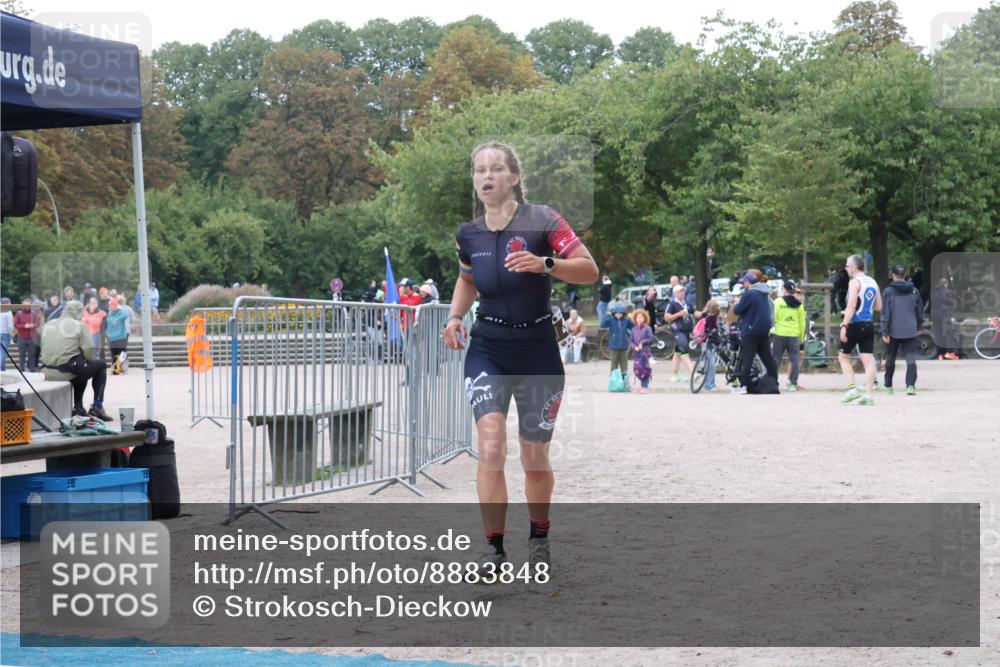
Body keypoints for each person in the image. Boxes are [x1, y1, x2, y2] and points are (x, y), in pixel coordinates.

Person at [442, 141, 598, 578]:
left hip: (536, 350)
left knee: (534, 458)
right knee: (490, 443)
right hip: (488, 347)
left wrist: (546, 262)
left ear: (513, 177)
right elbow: (467, 277)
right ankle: (492, 550)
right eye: (478, 170)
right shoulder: (468, 233)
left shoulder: (543, 220)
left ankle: (538, 538)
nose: (486, 177)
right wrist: (456, 316)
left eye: (495, 169)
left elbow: (589, 269)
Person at [39, 300, 113, 420]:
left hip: (49, 371)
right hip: (68, 372)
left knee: (80, 364)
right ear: (77, 312)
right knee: (100, 365)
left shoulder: (48, 324)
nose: (82, 315)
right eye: (80, 312)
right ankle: (97, 406)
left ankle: (78, 407)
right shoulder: (80, 326)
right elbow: (89, 353)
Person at [838, 255, 881, 406]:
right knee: (868, 361)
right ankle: (869, 395)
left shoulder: (854, 282)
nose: (846, 268)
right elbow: (878, 307)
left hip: (855, 324)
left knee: (843, 357)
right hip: (869, 323)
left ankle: (852, 388)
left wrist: (844, 325)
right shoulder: (873, 282)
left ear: (855, 267)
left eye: (848, 265)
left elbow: (851, 306)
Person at [732, 270, 779, 394]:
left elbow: (737, 310)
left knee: (747, 358)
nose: (744, 285)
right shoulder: (764, 293)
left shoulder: (750, 294)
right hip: (763, 330)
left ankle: (743, 386)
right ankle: (774, 382)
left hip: (750, 330)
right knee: (768, 358)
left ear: (748, 282)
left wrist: (737, 303)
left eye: (745, 283)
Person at [881, 265, 923, 395]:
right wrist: (919, 327)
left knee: (891, 357)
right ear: (905, 275)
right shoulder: (914, 291)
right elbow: (920, 312)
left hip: (893, 329)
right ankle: (910, 386)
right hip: (910, 328)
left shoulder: (888, 292)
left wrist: (884, 331)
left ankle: (888, 386)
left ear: (893, 275)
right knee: (910, 357)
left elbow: (885, 313)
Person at [772, 281, 806, 392]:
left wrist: (771, 331)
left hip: (779, 333)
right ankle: (793, 384)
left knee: (776, 359)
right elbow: (802, 323)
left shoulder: (777, 302)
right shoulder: (799, 305)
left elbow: (773, 318)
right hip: (794, 334)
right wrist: (801, 337)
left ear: (784, 290)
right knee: (794, 360)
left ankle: (773, 382)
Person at [663, 284, 695, 382]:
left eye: (683, 291)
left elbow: (694, 313)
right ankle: (693, 373)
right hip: (678, 331)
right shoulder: (672, 304)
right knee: (684, 351)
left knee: (677, 352)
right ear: (676, 293)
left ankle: (675, 375)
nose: (683, 293)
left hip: (686, 331)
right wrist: (678, 314)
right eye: (680, 291)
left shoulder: (687, 304)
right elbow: (667, 317)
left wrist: (706, 314)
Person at [602, 303, 633, 384]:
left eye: (621, 313)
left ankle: (625, 383)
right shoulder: (611, 320)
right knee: (613, 366)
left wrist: (631, 318)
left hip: (624, 347)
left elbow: (633, 327)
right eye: (617, 313)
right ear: (614, 313)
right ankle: (613, 383)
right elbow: (603, 325)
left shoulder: (626, 321)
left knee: (624, 367)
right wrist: (607, 315)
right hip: (614, 347)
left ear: (623, 314)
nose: (619, 314)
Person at [695, 299, 722, 391]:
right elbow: (711, 331)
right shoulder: (712, 318)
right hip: (709, 342)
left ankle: (707, 383)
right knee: (711, 363)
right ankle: (710, 384)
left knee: (707, 363)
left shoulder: (703, 316)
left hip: (703, 341)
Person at [930, 277, 958, 360]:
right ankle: (950, 353)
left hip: (935, 316)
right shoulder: (947, 292)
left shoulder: (934, 292)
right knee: (948, 334)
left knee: (938, 335)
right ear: (946, 284)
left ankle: (940, 354)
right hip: (944, 315)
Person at [629, 308, 655, 393]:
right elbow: (631, 341)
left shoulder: (647, 328)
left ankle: (645, 386)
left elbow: (651, 339)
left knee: (645, 369)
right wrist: (634, 347)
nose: (639, 319)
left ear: (644, 318)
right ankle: (641, 386)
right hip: (637, 353)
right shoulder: (633, 329)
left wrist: (642, 343)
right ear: (635, 319)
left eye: (641, 317)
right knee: (638, 369)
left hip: (646, 353)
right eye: (637, 317)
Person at [13, 298, 41, 372]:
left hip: (32, 337)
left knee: (32, 354)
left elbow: (38, 323)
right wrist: (24, 326)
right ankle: (21, 368)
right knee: (22, 354)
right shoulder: (19, 313)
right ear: (23, 305)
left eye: (28, 305)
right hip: (21, 337)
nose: (27, 306)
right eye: (25, 305)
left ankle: (31, 368)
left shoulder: (34, 314)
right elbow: (15, 324)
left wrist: (33, 325)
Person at [105, 298, 131, 375]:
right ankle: (116, 369)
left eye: (113, 305)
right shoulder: (109, 314)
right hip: (111, 337)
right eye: (110, 305)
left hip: (121, 337)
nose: (111, 307)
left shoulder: (121, 312)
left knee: (122, 353)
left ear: (116, 305)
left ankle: (124, 368)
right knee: (113, 353)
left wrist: (117, 318)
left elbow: (125, 316)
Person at [81, 297, 107, 361]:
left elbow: (97, 322)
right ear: (88, 303)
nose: (93, 304)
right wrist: (90, 318)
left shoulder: (101, 312)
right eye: (92, 303)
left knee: (94, 353)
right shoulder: (84, 312)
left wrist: (87, 319)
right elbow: (81, 322)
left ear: (97, 304)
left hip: (95, 334)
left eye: (95, 303)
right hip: (85, 335)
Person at [0, 298, 14, 371]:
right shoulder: (8, 312)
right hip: (5, 334)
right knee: (3, 352)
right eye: (10, 303)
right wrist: (11, 335)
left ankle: (2, 368)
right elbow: (10, 326)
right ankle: (1, 368)